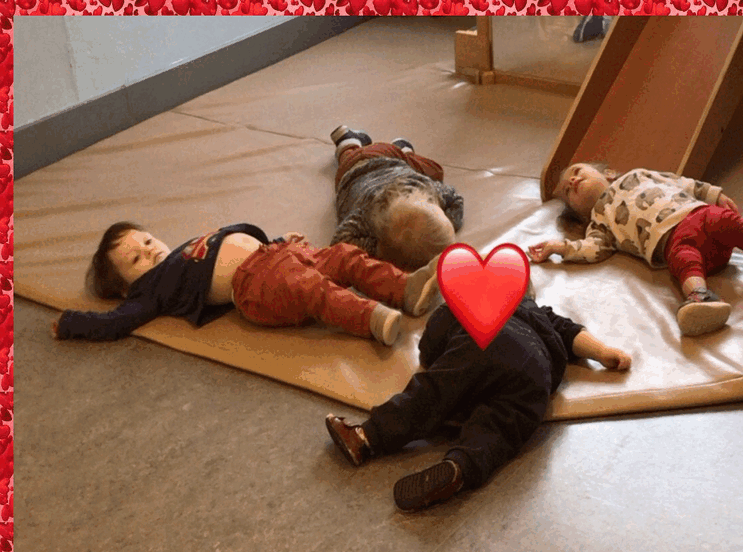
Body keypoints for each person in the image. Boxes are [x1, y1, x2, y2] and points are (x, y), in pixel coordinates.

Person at [325, 289, 631, 511]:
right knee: (502, 427)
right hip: (538, 370)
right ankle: (460, 469)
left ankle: (366, 437)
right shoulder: (542, 315)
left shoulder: (471, 303)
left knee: (432, 392)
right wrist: (604, 352)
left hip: (484, 339)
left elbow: (434, 340)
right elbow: (574, 333)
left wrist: (435, 356)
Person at [528, 163, 743, 337]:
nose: (574, 181)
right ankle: (700, 298)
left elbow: (681, 182)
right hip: (674, 242)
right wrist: (560, 247)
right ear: (579, 214)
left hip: (699, 215)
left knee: (733, 224)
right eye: (569, 190)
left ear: (607, 172)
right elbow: (592, 249)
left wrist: (714, 194)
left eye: (578, 172)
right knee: (682, 260)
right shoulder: (599, 222)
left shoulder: (636, 175)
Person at [52, 222, 440, 346]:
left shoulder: (181, 253)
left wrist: (281, 242)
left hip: (276, 254)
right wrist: (71, 323)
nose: (149, 253)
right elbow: (116, 322)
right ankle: (372, 318)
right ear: (126, 287)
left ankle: (406, 288)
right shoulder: (150, 290)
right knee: (311, 288)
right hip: (255, 286)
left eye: (148, 242)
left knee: (343, 255)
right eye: (135, 259)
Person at [330, 125, 464, 272]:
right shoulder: (365, 216)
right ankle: (346, 143)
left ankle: (401, 150)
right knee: (348, 157)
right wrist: (376, 249)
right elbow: (340, 243)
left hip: (389, 156)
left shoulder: (426, 188)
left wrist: (449, 221)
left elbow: (456, 199)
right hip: (355, 168)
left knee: (436, 171)